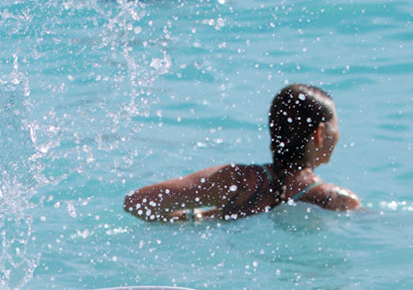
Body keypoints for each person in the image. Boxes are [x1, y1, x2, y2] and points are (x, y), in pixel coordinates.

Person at [124, 84, 362, 223]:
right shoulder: (336, 201)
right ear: (319, 134)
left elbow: (138, 203)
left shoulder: (237, 182)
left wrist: (200, 218)